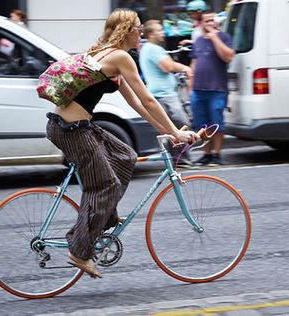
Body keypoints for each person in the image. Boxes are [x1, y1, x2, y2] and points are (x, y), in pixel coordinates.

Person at [41, 8, 199, 278]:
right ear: (127, 30)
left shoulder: (108, 57)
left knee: (125, 155)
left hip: (77, 127)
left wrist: (171, 133)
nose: (142, 34)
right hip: (71, 131)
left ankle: (105, 218)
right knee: (105, 185)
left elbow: (138, 104)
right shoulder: (120, 57)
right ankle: (79, 250)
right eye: (138, 29)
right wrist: (176, 131)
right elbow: (149, 100)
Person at [139, 20, 195, 168]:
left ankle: (177, 160)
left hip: (162, 94)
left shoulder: (147, 48)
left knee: (171, 128)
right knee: (182, 125)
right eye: (160, 30)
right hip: (165, 95)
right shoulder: (153, 49)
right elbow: (168, 66)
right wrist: (185, 68)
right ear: (151, 34)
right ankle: (181, 160)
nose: (163, 32)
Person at [190, 11, 235, 166]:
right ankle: (206, 154)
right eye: (207, 21)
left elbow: (228, 56)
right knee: (201, 124)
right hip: (198, 90)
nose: (210, 23)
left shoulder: (223, 37)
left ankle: (217, 154)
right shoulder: (198, 41)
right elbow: (194, 65)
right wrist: (191, 88)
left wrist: (214, 37)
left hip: (217, 89)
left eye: (212, 20)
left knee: (216, 122)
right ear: (201, 23)